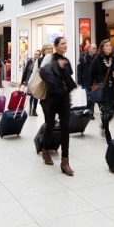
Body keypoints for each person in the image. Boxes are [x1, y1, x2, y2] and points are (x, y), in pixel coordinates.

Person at [39, 37, 77, 175]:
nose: (65, 45)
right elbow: (42, 72)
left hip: (63, 98)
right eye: (62, 44)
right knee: (49, 125)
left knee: (65, 127)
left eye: (66, 43)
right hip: (50, 98)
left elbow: (68, 76)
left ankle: (65, 161)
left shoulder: (66, 61)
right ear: (56, 46)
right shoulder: (50, 58)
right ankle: (45, 149)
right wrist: (56, 65)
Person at [90, 39, 114, 143]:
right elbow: (92, 74)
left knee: (113, 109)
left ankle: (104, 124)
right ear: (102, 48)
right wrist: (92, 87)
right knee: (104, 111)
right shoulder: (97, 60)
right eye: (107, 46)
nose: (109, 47)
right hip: (102, 88)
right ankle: (107, 132)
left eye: (110, 45)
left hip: (112, 88)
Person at [77, 43, 97, 118]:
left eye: (96, 48)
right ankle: (87, 110)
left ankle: (91, 112)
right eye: (93, 48)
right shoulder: (83, 58)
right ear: (89, 49)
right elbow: (79, 70)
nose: (95, 50)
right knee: (86, 96)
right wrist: (79, 82)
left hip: (94, 81)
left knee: (93, 97)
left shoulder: (97, 58)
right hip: (85, 80)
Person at [22, 49, 41, 116]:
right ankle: (30, 108)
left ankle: (34, 110)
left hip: (37, 82)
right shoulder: (30, 61)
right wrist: (23, 81)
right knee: (32, 96)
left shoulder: (40, 62)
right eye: (36, 54)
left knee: (35, 96)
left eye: (38, 55)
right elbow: (25, 71)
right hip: (30, 81)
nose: (37, 56)